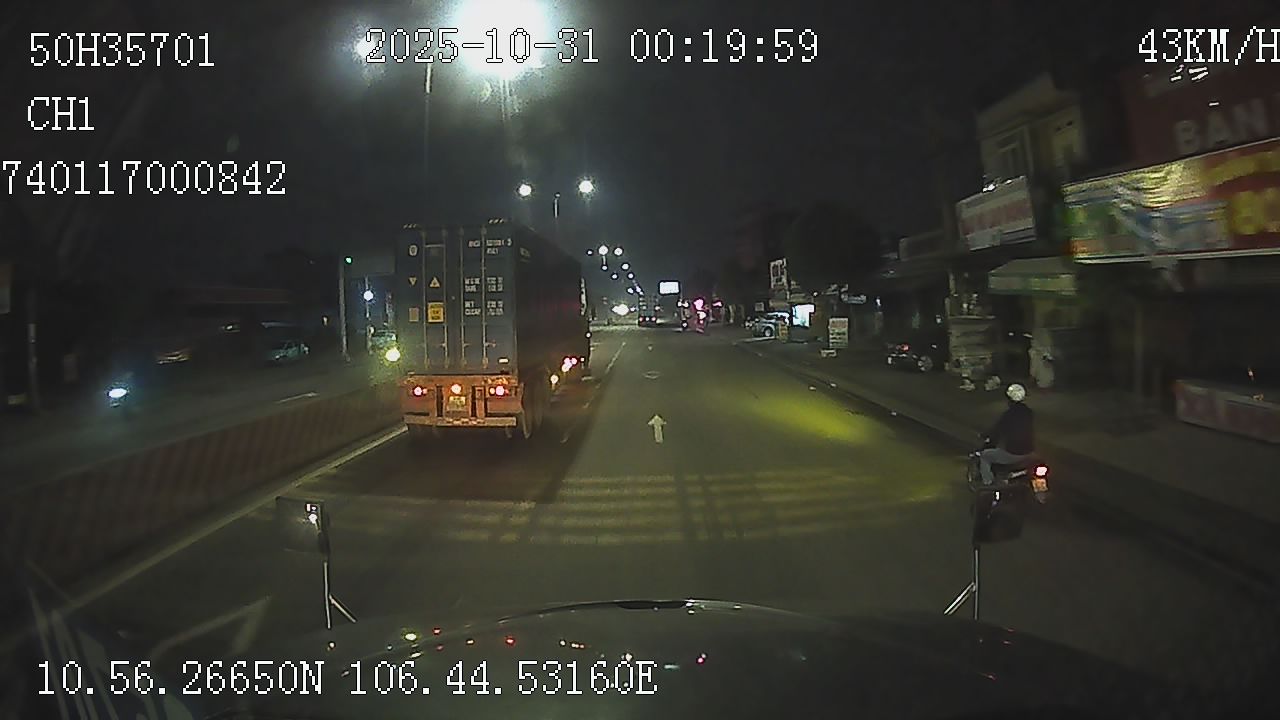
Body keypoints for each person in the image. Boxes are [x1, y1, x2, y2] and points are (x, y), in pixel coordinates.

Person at [979, 383, 1035, 485]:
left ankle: (988, 483)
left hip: (1013, 453)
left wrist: (985, 435)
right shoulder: (1029, 413)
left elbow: (997, 431)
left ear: (1009, 399)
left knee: (985, 456)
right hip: (1029, 452)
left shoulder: (1008, 415)